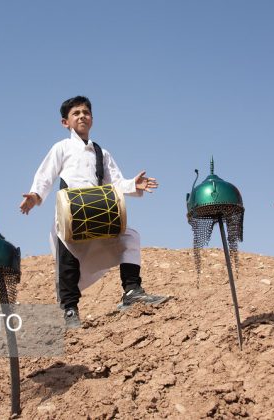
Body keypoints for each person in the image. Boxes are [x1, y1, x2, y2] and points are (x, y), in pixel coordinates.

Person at [20, 96, 167, 328]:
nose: (82, 116)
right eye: (76, 113)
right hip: (71, 214)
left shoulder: (101, 152)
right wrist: (35, 195)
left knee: (130, 237)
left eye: (86, 112)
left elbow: (115, 182)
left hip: (98, 212)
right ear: (65, 122)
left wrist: (133, 185)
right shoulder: (62, 148)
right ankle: (69, 309)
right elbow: (45, 175)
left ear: (92, 118)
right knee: (67, 260)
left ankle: (132, 291)